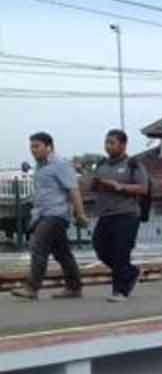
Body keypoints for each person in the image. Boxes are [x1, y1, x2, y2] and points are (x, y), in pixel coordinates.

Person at [12, 132, 87, 300]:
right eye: (31, 147)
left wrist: (80, 214)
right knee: (62, 253)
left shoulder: (61, 164)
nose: (33, 150)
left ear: (49, 147)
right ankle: (74, 288)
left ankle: (32, 288)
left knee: (38, 246)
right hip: (41, 214)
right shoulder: (39, 167)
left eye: (37, 146)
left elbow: (73, 189)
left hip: (56, 214)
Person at [89, 128, 148, 302]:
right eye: (106, 143)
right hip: (105, 214)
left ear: (123, 144)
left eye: (112, 143)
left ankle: (120, 291)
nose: (108, 147)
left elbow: (143, 188)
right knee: (100, 248)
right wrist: (95, 184)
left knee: (121, 251)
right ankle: (130, 272)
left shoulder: (133, 164)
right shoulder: (101, 164)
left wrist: (120, 186)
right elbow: (93, 187)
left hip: (127, 213)